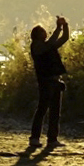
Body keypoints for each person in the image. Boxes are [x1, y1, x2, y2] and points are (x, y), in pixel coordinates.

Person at [29, 15, 70, 149]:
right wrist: (58, 28)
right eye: (42, 31)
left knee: (55, 112)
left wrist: (65, 26)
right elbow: (51, 42)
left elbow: (64, 39)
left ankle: (52, 139)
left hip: (55, 80)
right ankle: (34, 138)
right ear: (36, 35)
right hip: (45, 81)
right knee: (42, 109)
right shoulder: (37, 46)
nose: (45, 33)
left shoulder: (48, 46)